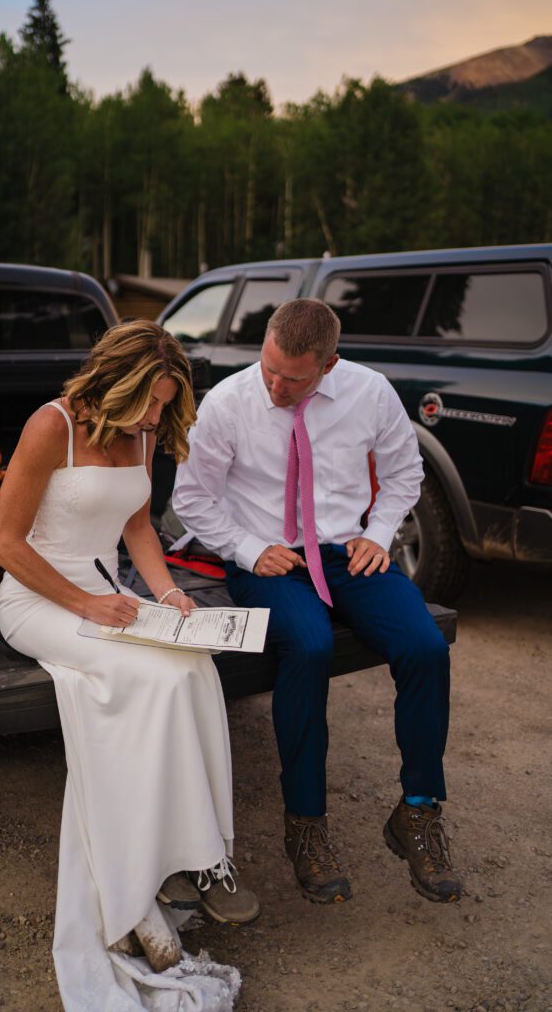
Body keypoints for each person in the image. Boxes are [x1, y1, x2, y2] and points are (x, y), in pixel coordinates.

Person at [0, 321, 259, 1012]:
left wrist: (169, 596)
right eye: (149, 401)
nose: (156, 416)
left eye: (166, 403)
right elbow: (5, 544)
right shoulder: (51, 426)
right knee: (143, 680)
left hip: (109, 592)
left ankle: (192, 859)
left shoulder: (141, 435)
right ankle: (128, 882)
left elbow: (139, 528)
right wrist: (84, 601)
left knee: (191, 667)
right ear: (113, 382)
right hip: (38, 598)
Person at [173, 298, 463, 907]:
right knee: (309, 645)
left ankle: (417, 812)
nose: (275, 385)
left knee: (425, 646)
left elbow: (405, 473)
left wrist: (378, 534)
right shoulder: (229, 402)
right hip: (268, 558)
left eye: (293, 377)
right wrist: (249, 549)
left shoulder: (372, 392)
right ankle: (305, 824)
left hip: (345, 552)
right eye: (269, 368)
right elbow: (194, 499)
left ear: (328, 365)